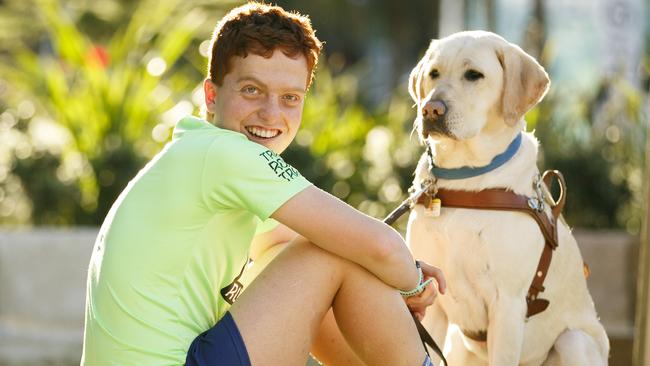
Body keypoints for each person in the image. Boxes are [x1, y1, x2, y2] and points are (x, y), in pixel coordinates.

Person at [81, 2, 445, 365]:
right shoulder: (223, 153)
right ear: (211, 95)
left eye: (290, 98)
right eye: (252, 90)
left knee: (329, 245)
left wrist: (397, 272)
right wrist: (412, 284)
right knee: (326, 250)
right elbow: (377, 246)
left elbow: (297, 243)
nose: (272, 114)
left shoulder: (197, 156)